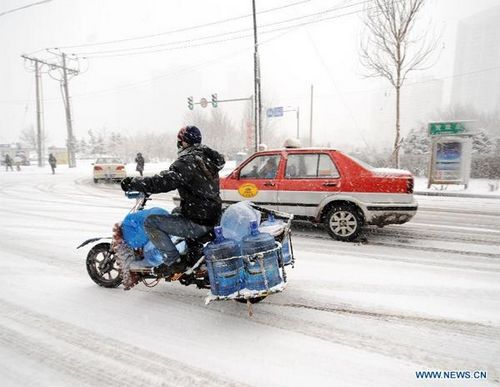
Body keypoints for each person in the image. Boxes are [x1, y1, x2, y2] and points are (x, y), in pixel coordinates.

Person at [120, 125, 225, 275]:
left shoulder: (187, 162)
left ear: (183, 143)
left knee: (151, 222)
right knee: (176, 211)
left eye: (179, 141)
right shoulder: (206, 159)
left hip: (198, 221)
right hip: (210, 214)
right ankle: (192, 250)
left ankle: (174, 261)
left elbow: (164, 182)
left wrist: (133, 183)